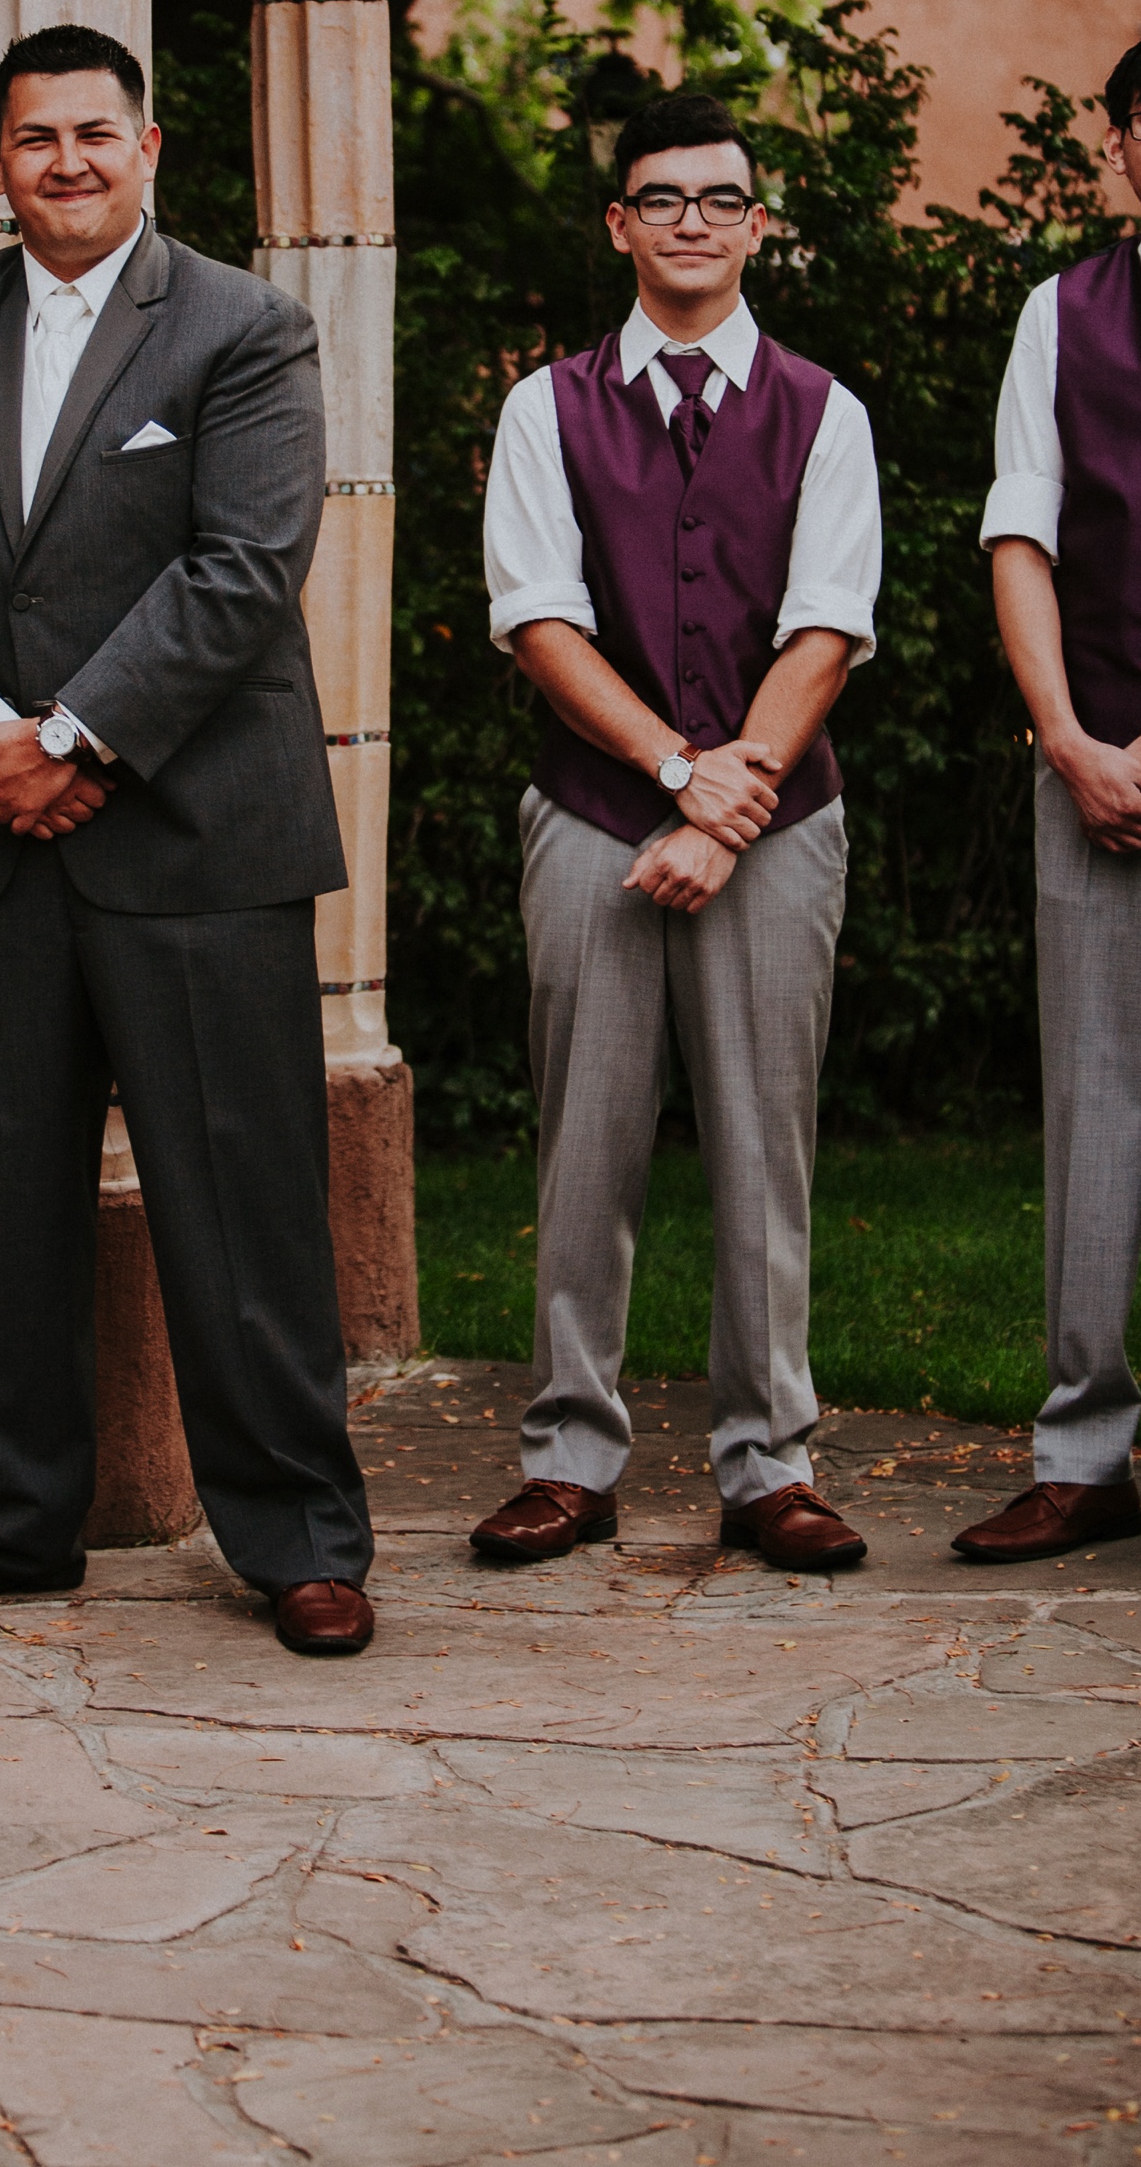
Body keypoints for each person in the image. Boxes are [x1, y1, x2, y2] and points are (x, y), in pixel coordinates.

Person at [0, 23, 374, 1656]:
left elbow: (241, 568)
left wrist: (70, 740)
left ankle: (297, 1538)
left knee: (245, 1200)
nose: (63, 161)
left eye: (93, 134)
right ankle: (9, 1521)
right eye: (32, 139)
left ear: (151, 148)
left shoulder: (244, 326)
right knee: (7, 1199)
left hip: (197, 839)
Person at [474, 91, 882, 1574]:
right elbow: (538, 620)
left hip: (779, 829)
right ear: (620, 224)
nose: (693, 221)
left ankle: (770, 1463)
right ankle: (570, 1459)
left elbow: (830, 625)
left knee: (766, 1149)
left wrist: (732, 803)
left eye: (721, 199)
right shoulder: (546, 407)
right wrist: (674, 775)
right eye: (663, 199)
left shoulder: (825, 410)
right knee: (585, 1147)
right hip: (593, 816)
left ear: (759, 223)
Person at [962, 28, 1141, 1563]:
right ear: (1117, 145)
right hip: (1090, 765)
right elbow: (1018, 531)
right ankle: (1086, 1455)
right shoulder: (1061, 312)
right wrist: (1068, 741)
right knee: (1092, 1109)